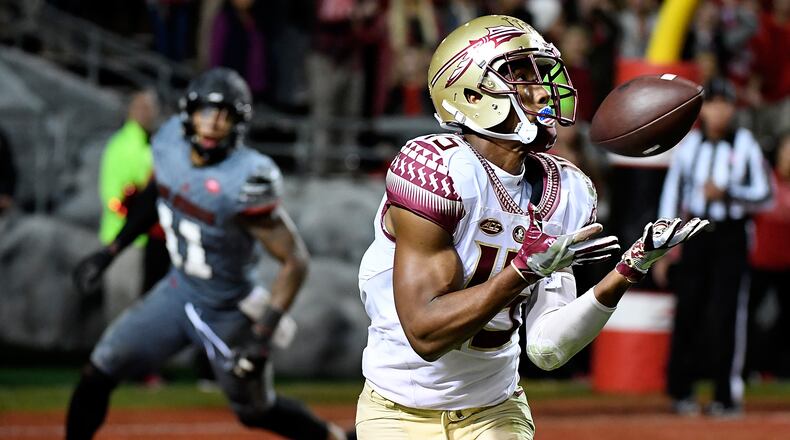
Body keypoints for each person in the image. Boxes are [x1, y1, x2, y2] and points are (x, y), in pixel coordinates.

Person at [355, 15, 707, 439]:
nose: (542, 90)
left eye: (542, 73)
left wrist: (629, 269)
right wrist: (522, 271)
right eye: (520, 75)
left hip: (496, 409)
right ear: (469, 92)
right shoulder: (436, 170)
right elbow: (425, 333)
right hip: (399, 411)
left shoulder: (570, 190)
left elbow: (547, 347)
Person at [66, 68, 350, 440]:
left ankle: (335, 437)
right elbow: (157, 193)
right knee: (99, 369)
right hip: (177, 291)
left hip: (227, 310)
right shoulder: (169, 145)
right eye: (206, 111)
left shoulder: (246, 176)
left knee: (256, 411)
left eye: (225, 114)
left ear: (239, 122)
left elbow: (295, 261)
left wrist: (261, 336)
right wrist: (111, 251)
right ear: (189, 113)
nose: (214, 122)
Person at [658, 77, 773, 417]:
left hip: (730, 235)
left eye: (725, 104)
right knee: (688, 311)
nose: (719, 111)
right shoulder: (689, 146)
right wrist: (664, 247)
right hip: (695, 234)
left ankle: (726, 394)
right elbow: (672, 196)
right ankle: (681, 391)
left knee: (727, 314)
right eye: (713, 104)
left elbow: (765, 194)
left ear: (733, 109)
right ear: (703, 110)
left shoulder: (745, 143)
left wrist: (729, 194)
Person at [81, 90, 169, 322]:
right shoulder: (123, 146)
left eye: (150, 108)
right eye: (142, 108)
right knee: (123, 308)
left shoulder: (149, 146)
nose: (147, 113)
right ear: (131, 111)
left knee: (137, 307)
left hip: (147, 241)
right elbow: (115, 198)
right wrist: (138, 218)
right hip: (124, 240)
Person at [747, 131, 790, 379]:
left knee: (785, 322)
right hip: (759, 261)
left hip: (787, 265)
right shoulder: (764, 181)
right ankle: (747, 368)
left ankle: (782, 370)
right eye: (786, 151)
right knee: (749, 318)